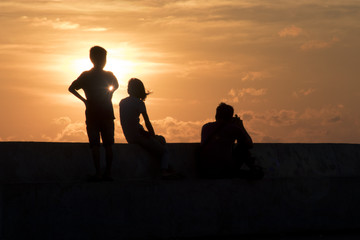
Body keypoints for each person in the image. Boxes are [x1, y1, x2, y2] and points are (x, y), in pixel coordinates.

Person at [68, 46, 119, 181]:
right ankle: (107, 173)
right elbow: (116, 85)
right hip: (106, 113)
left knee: (95, 144)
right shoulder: (109, 75)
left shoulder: (86, 75)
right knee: (107, 145)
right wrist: (109, 94)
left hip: (92, 113)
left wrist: (85, 101)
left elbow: (71, 88)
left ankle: (99, 173)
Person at [119, 78, 179, 179]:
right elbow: (147, 122)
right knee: (164, 151)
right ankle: (164, 171)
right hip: (138, 135)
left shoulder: (122, 102)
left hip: (129, 136)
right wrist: (153, 136)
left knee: (159, 142)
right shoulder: (139, 103)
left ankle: (168, 167)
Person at [198, 102, 263, 179]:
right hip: (224, 170)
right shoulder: (233, 129)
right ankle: (254, 170)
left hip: (205, 170)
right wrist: (241, 126)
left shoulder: (205, 127)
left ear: (216, 115)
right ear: (231, 117)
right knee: (243, 149)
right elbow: (249, 144)